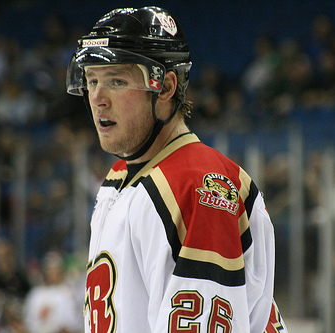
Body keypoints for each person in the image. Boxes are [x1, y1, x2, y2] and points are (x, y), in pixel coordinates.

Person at [66, 6, 287, 332]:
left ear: (166, 87)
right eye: (92, 80)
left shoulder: (193, 185)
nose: (97, 98)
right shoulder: (120, 178)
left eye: (116, 80)